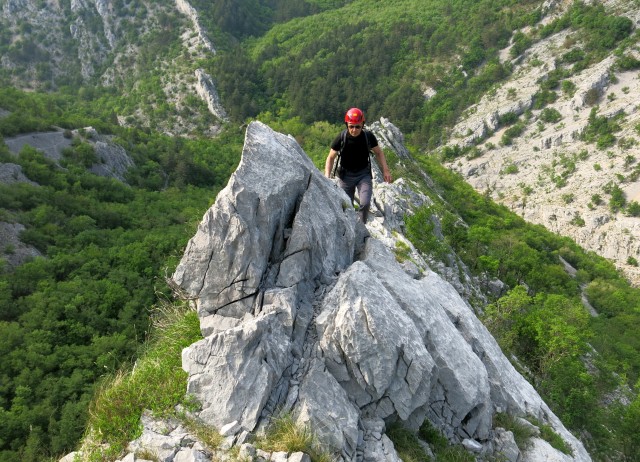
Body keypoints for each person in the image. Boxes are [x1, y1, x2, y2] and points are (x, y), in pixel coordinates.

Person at [325, 107, 392, 223]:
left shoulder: (368, 136)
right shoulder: (342, 137)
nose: (354, 130)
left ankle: (361, 227)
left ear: (362, 125)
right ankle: (349, 227)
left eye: (357, 126)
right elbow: (330, 157)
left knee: (365, 203)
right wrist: (326, 176)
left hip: (363, 175)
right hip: (345, 176)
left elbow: (379, 152)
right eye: (351, 126)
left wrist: (386, 170)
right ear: (347, 125)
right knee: (346, 206)